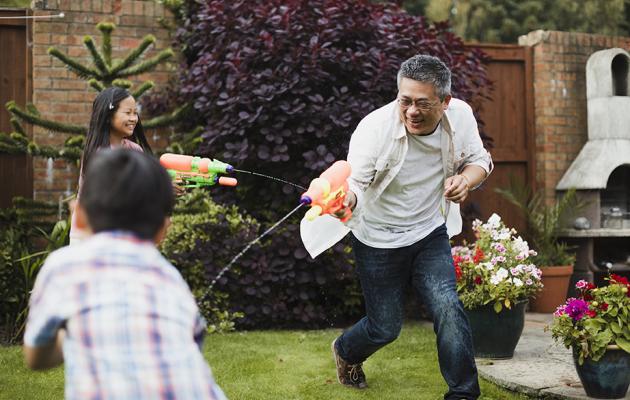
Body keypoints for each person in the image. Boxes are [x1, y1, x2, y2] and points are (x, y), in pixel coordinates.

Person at [330, 55, 493, 399]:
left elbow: (480, 160)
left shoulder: (460, 116)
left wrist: (466, 179)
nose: (411, 112)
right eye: (405, 101)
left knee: (448, 305)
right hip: (377, 237)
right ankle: (347, 350)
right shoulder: (374, 129)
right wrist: (346, 200)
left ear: (445, 102)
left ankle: (463, 393)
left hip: (428, 231)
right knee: (385, 327)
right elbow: (356, 184)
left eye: (423, 103)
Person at [23, 149, 227, 400]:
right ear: (163, 230)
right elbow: (191, 342)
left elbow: (35, 356)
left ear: (80, 217)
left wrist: (71, 334)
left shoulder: (64, 267)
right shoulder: (169, 278)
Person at [69, 86, 152, 245]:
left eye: (135, 113)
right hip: (90, 232)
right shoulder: (98, 155)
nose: (134, 118)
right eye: (128, 113)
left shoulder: (135, 150)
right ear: (108, 116)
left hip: (123, 231)